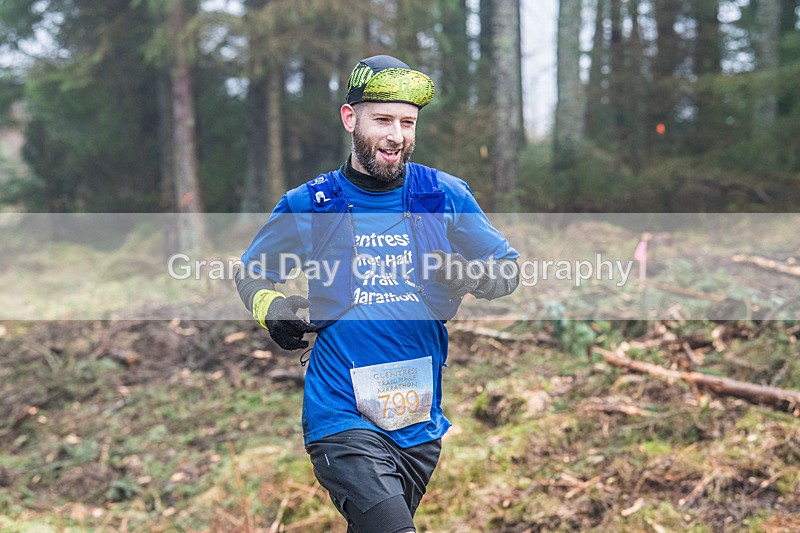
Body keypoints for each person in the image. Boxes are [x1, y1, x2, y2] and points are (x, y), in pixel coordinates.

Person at [237, 54, 519, 533]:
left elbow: (506, 269)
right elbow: (252, 274)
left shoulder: (442, 194)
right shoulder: (310, 203)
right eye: (383, 120)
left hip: (415, 422)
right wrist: (273, 309)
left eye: (407, 123)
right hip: (340, 417)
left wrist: (468, 274)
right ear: (351, 119)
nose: (397, 136)